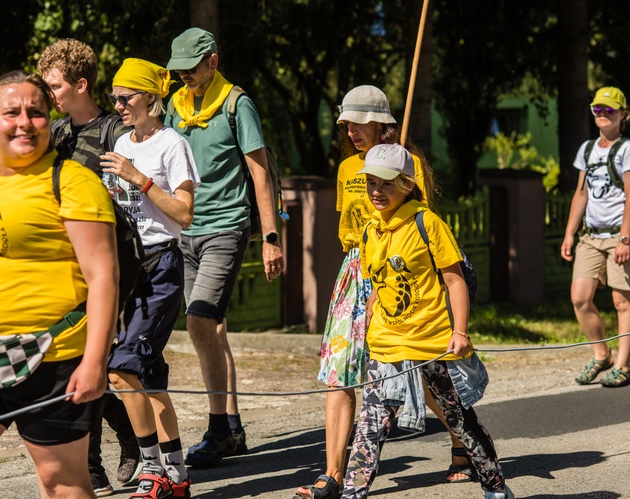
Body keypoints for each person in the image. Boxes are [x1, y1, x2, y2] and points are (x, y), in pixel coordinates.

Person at [0, 70, 118, 498]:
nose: (24, 122)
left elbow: (103, 275)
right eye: (11, 112)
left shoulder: (72, 180)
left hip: (52, 360)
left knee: (61, 485)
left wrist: (95, 362)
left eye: (36, 113)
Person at [295, 85, 473, 499]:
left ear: (382, 124)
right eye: (346, 124)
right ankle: (333, 476)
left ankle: (464, 441)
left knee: (420, 379)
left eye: (359, 122)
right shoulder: (345, 170)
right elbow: (348, 227)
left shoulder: (410, 166)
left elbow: (421, 227)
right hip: (356, 271)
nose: (351, 131)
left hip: (398, 276)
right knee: (339, 374)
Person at [340, 143, 513, 499]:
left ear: (406, 183)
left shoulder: (426, 222)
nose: (376, 191)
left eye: (386, 183)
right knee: (371, 426)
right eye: (371, 183)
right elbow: (379, 280)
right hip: (387, 344)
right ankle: (351, 494)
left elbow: (454, 281)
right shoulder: (371, 230)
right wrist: (372, 306)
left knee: (458, 419)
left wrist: (460, 331)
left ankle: (495, 486)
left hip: (431, 342)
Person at [164, 27, 284, 467]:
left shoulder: (237, 104)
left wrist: (271, 238)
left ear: (212, 61)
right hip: (187, 230)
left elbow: (260, 174)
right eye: (178, 71)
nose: (184, 78)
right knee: (212, 329)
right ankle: (232, 426)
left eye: (191, 69)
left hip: (226, 228)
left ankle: (216, 431)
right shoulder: (176, 106)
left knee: (198, 321)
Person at [38, 38, 141, 496]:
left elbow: (131, 203)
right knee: (76, 364)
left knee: (92, 358)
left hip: (110, 260)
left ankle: (93, 466)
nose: (49, 94)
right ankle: (126, 437)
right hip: (65, 261)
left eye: (55, 86)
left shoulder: (113, 133)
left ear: (80, 85)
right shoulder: (57, 133)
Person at [103, 58, 199, 499]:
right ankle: (178, 476)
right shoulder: (122, 141)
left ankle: (151, 469)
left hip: (162, 265)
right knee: (149, 377)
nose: (119, 105)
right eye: (114, 99)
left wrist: (138, 179)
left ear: (152, 98)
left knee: (121, 370)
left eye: (126, 98)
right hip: (127, 268)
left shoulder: (171, 144)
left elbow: (183, 213)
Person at [561, 86, 630, 388]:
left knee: (622, 301)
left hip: (621, 236)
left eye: (609, 110)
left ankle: (623, 366)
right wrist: (570, 234)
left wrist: (624, 238)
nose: (602, 115)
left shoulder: (628, 149)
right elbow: (581, 193)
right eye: (597, 109)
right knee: (580, 298)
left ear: (623, 114)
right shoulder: (586, 149)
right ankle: (602, 355)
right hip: (591, 236)